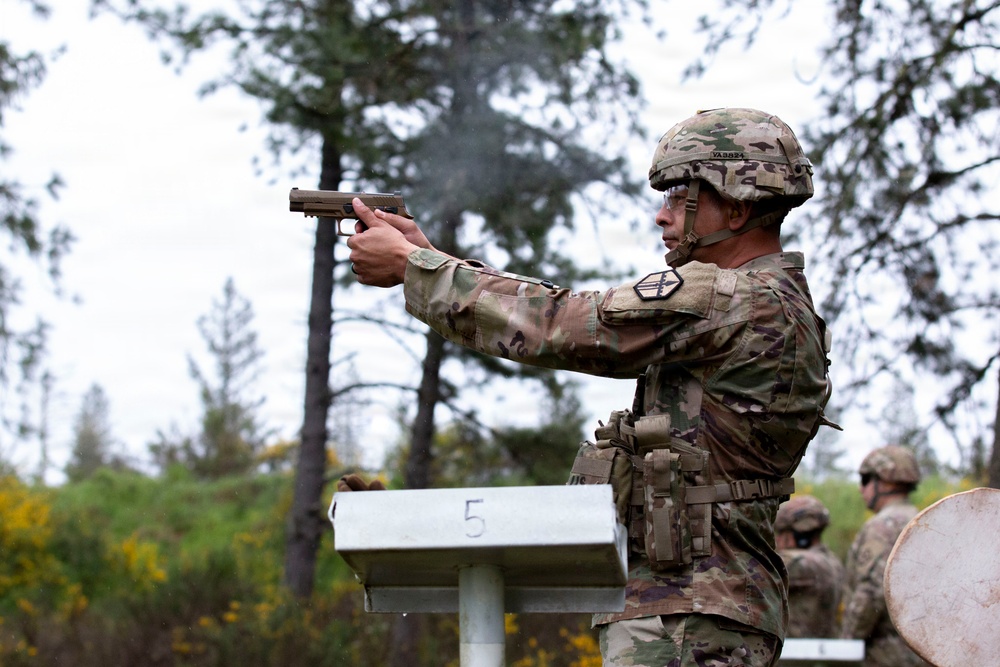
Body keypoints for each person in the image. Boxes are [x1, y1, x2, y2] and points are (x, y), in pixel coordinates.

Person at [346, 107, 836, 666]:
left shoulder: (728, 298)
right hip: (703, 604)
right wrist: (432, 260)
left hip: (686, 613)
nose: (662, 215)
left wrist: (417, 267)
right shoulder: (766, 299)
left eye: (681, 196)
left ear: (739, 206)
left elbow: (561, 326)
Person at [839, 445, 928, 666]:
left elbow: (871, 592)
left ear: (886, 480)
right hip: (921, 650)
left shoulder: (883, 527)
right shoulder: (924, 520)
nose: (861, 489)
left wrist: (846, 646)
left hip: (885, 654)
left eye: (865, 479)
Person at [774, 495, 845, 638]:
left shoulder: (797, 562)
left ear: (798, 535)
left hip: (794, 653)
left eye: (781, 533)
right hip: (821, 650)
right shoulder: (834, 562)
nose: (778, 539)